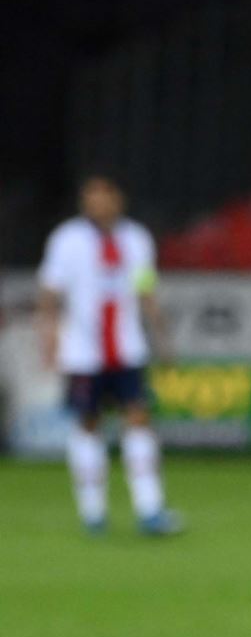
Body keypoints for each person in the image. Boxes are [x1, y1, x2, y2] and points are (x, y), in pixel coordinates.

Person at [37, 173, 181, 535]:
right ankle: (93, 511)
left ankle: (150, 508)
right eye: (91, 196)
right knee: (88, 424)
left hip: (127, 348)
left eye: (104, 195)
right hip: (84, 351)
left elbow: (145, 289)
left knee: (138, 420)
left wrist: (161, 337)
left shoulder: (136, 238)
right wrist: (49, 337)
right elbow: (50, 292)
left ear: (119, 199)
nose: (98, 203)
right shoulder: (67, 239)